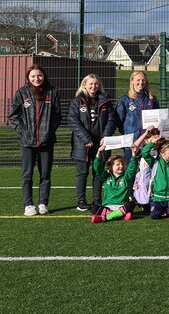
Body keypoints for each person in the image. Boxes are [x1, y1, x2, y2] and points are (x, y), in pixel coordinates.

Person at [9, 65, 61, 216]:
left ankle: (43, 203)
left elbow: (57, 115)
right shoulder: (22, 92)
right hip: (27, 142)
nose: (36, 79)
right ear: (28, 77)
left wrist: (49, 131)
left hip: (47, 141)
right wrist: (23, 132)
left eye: (39, 76)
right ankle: (28, 205)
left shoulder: (53, 92)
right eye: (33, 76)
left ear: (43, 76)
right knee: (27, 175)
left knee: (45, 174)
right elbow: (14, 116)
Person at [67, 74, 118, 211]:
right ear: (84, 85)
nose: (93, 86)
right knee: (82, 173)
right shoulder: (77, 101)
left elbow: (112, 120)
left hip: (101, 143)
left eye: (96, 84)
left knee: (98, 172)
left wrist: (106, 136)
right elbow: (73, 121)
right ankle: (81, 201)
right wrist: (85, 138)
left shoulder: (106, 101)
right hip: (83, 144)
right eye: (90, 84)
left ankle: (97, 200)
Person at [116, 71, 159, 162]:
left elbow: (158, 118)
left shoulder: (152, 99)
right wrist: (127, 132)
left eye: (143, 80)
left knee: (148, 170)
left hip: (149, 141)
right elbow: (119, 121)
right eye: (138, 80)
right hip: (131, 141)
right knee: (130, 169)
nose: (141, 82)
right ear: (132, 81)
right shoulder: (124, 100)